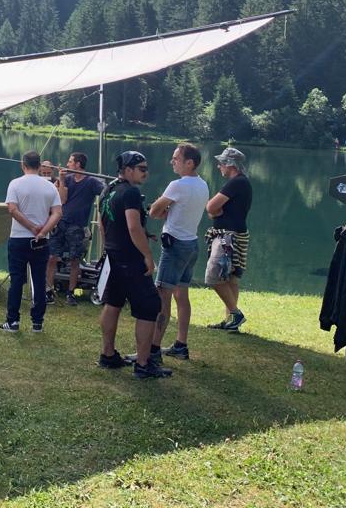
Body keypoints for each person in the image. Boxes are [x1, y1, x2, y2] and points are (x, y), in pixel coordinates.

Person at [96, 151, 171, 379]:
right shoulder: (131, 192)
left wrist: (111, 246)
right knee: (149, 306)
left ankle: (108, 355)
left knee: (113, 303)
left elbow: (103, 223)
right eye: (142, 169)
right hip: (130, 259)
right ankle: (143, 364)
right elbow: (132, 226)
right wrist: (147, 255)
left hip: (113, 255)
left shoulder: (108, 189)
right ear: (128, 170)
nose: (146, 173)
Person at [145, 143, 208, 362]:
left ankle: (153, 349)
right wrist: (168, 210)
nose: (172, 162)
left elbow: (153, 211)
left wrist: (163, 209)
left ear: (189, 163)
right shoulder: (203, 185)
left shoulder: (177, 185)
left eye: (176, 159)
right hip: (192, 245)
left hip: (174, 247)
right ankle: (181, 344)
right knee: (182, 295)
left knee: (162, 297)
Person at [0, 151, 62, 333]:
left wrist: (32, 227)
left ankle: (13, 321)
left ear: (23, 165)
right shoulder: (50, 186)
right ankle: (37, 322)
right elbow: (57, 213)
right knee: (39, 280)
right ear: (40, 166)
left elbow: (12, 209)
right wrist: (43, 231)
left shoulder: (15, 184)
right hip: (41, 241)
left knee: (17, 280)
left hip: (19, 238)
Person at [46, 152, 104, 306]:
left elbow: (105, 192)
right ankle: (48, 290)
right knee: (52, 257)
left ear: (78, 164)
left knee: (74, 260)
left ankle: (71, 293)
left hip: (77, 226)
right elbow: (62, 199)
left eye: (70, 162)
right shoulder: (67, 179)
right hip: (60, 223)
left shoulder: (91, 182)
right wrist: (61, 180)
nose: (67, 164)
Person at [205, 147, 252, 332]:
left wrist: (214, 211)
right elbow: (213, 210)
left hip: (227, 237)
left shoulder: (235, 183)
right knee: (231, 278)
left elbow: (210, 207)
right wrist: (215, 212)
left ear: (230, 164)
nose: (219, 166)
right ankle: (231, 321)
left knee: (213, 275)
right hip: (236, 235)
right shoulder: (243, 182)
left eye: (221, 163)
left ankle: (235, 314)